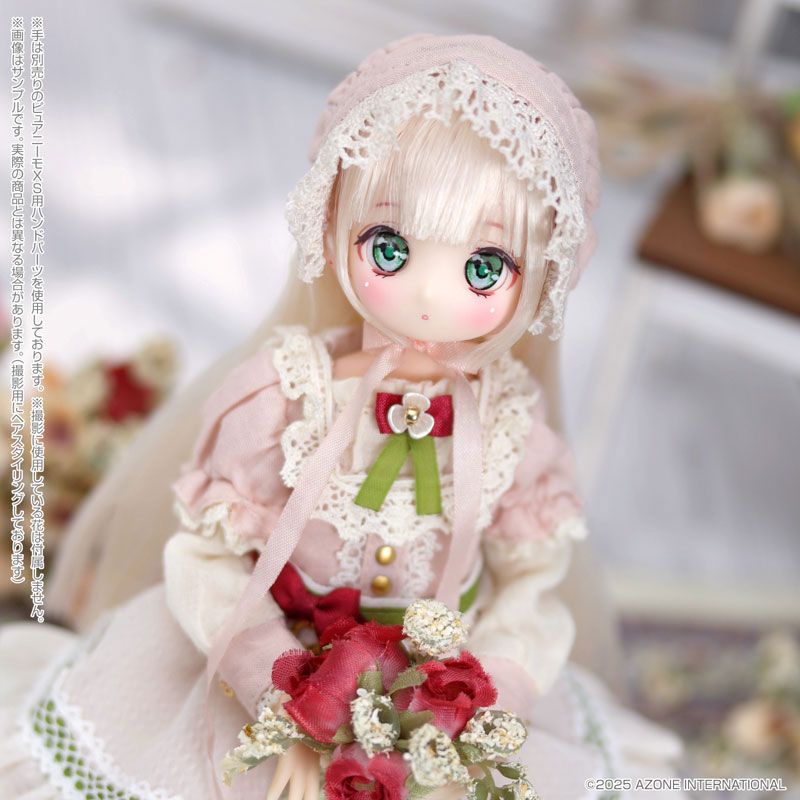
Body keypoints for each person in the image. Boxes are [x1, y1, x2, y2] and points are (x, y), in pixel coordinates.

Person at [0, 34, 686, 800]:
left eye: (483, 267)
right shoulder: (287, 399)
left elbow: (529, 593)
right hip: (265, 674)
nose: (429, 295)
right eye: (388, 248)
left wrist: (475, 707)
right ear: (332, 228)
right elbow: (208, 561)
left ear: (543, 277)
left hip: (434, 713)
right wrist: (280, 694)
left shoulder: (511, 435)